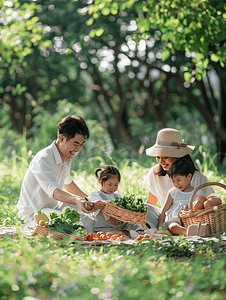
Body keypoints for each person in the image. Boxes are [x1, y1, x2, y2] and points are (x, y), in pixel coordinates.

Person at [17, 115, 104, 231]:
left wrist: (87, 199)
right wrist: (76, 200)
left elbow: (67, 183)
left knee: (89, 216)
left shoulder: (67, 157)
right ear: (62, 138)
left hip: (53, 208)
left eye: (81, 145)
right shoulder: (44, 159)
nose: (78, 149)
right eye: (75, 144)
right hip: (34, 215)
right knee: (77, 224)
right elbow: (54, 192)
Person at [144, 128, 214, 231]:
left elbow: (205, 205)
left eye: (166, 156)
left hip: (191, 219)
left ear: (178, 156)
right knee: (145, 209)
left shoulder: (197, 177)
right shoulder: (155, 173)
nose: (161, 161)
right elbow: (151, 202)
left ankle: (189, 230)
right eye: (158, 157)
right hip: (168, 217)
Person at [80, 165, 142, 237]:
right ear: (100, 181)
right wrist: (97, 204)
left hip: (119, 224)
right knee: (114, 235)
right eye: (109, 184)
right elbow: (91, 205)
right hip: (104, 226)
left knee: (136, 225)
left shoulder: (117, 196)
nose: (113, 188)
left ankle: (136, 233)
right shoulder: (96, 195)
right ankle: (127, 234)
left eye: (116, 185)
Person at [157, 158, 204, 236]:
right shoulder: (173, 192)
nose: (176, 184)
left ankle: (183, 232)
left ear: (189, 177)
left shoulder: (197, 192)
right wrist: (159, 226)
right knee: (173, 227)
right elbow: (164, 210)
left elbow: (201, 208)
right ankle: (188, 232)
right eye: (173, 181)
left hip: (190, 220)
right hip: (174, 220)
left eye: (178, 180)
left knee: (166, 233)